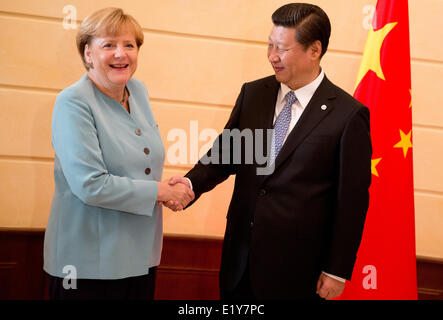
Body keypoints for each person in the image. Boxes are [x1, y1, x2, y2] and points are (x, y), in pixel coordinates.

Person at [167, 3, 372, 300]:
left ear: (314, 50)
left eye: (283, 49)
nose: (272, 56)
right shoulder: (254, 94)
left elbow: (352, 202)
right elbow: (225, 154)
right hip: (240, 261)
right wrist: (189, 184)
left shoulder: (348, 115)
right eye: (270, 45)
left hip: (300, 271)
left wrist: (336, 269)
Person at [43, 7, 194, 300]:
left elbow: (141, 165)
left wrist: (170, 187)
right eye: (108, 45)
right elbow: (90, 185)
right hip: (87, 266)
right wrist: (160, 192)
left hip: (140, 257)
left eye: (129, 45)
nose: (120, 54)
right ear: (88, 53)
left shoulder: (137, 91)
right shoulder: (73, 102)